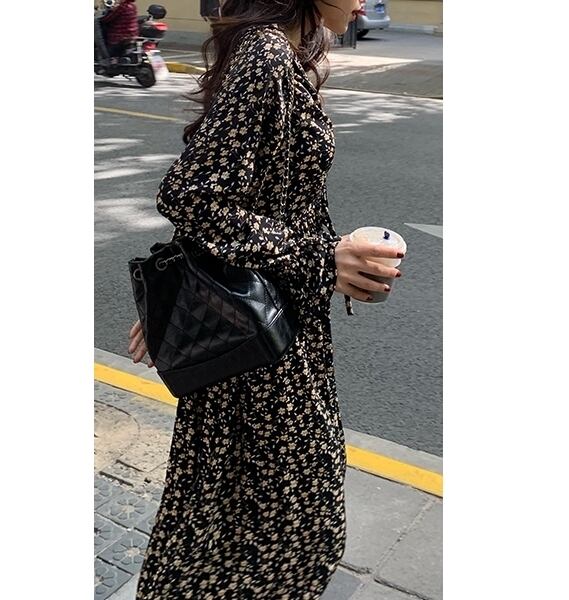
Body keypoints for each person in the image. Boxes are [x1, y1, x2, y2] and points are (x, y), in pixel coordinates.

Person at [128, 1, 403, 597]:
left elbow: (240, 192)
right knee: (287, 525)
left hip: (271, 323)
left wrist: (175, 300)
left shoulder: (279, 49)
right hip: (262, 345)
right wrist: (322, 258)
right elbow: (194, 196)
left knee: (244, 519)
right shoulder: (266, 54)